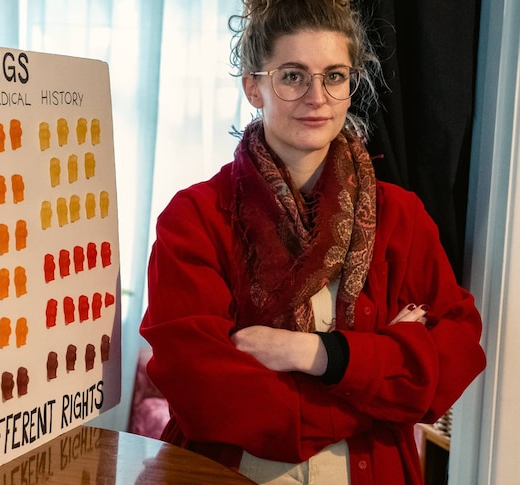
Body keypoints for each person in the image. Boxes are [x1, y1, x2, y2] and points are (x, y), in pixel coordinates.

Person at [138, 0, 487, 483]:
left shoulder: (400, 216)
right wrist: (377, 388)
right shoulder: (195, 217)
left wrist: (315, 354)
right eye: (293, 76)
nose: (317, 97)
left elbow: (456, 353)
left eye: (335, 76)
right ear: (254, 87)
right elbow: (201, 390)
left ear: (352, 85)